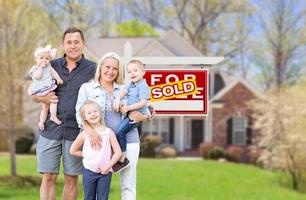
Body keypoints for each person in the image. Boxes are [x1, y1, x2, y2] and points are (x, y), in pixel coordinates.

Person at [76, 52, 150, 200]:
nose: (110, 71)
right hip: (99, 143)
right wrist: (90, 132)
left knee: (128, 184)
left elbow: (148, 106)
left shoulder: (127, 88)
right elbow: (79, 114)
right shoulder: (87, 88)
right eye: (107, 67)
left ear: (119, 71)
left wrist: (145, 116)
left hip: (129, 141)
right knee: (97, 187)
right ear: (101, 67)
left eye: (115, 68)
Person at [33, 26, 96, 200]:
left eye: (76, 42)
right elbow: (33, 93)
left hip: (76, 132)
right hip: (50, 130)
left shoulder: (92, 68)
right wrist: (44, 99)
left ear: (83, 44)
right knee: (48, 176)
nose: (73, 46)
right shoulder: (50, 65)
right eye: (69, 42)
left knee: (71, 178)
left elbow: (110, 87)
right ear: (63, 45)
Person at [70, 100, 121, 200]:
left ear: (100, 113)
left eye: (95, 111)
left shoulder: (109, 132)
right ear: (84, 117)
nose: (93, 114)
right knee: (89, 197)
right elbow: (73, 150)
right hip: (89, 171)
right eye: (89, 113)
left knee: (103, 198)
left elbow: (118, 152)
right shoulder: (84, 134)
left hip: (105, 172)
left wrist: (108, 167)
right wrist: (86, 154)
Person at [112, 59, 150, 172]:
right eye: (129, 71)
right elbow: (123, 91)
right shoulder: (131, 85)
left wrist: (128, 108)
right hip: (129, 114)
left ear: (143, 72)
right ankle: (121, 156)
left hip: (136, 116)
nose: (132, 73)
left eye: (135, 70)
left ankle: (122, 158)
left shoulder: (143, 86)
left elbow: (143, 102)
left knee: (120, 131)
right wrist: (118, 99)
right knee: (119, 131)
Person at [28, 44, 63, 130]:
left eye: (47, 58)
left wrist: (58, 78)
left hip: (47, 87)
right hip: (41, 88)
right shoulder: (35, 68)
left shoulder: (49, 66)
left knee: (45, 107)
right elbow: (37, 76)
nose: (44, 60)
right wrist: (40, 68)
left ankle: (41, 122)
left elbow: (53, 72)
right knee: (54, 99)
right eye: (41, 58)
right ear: (35, 59)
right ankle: (53, 116)